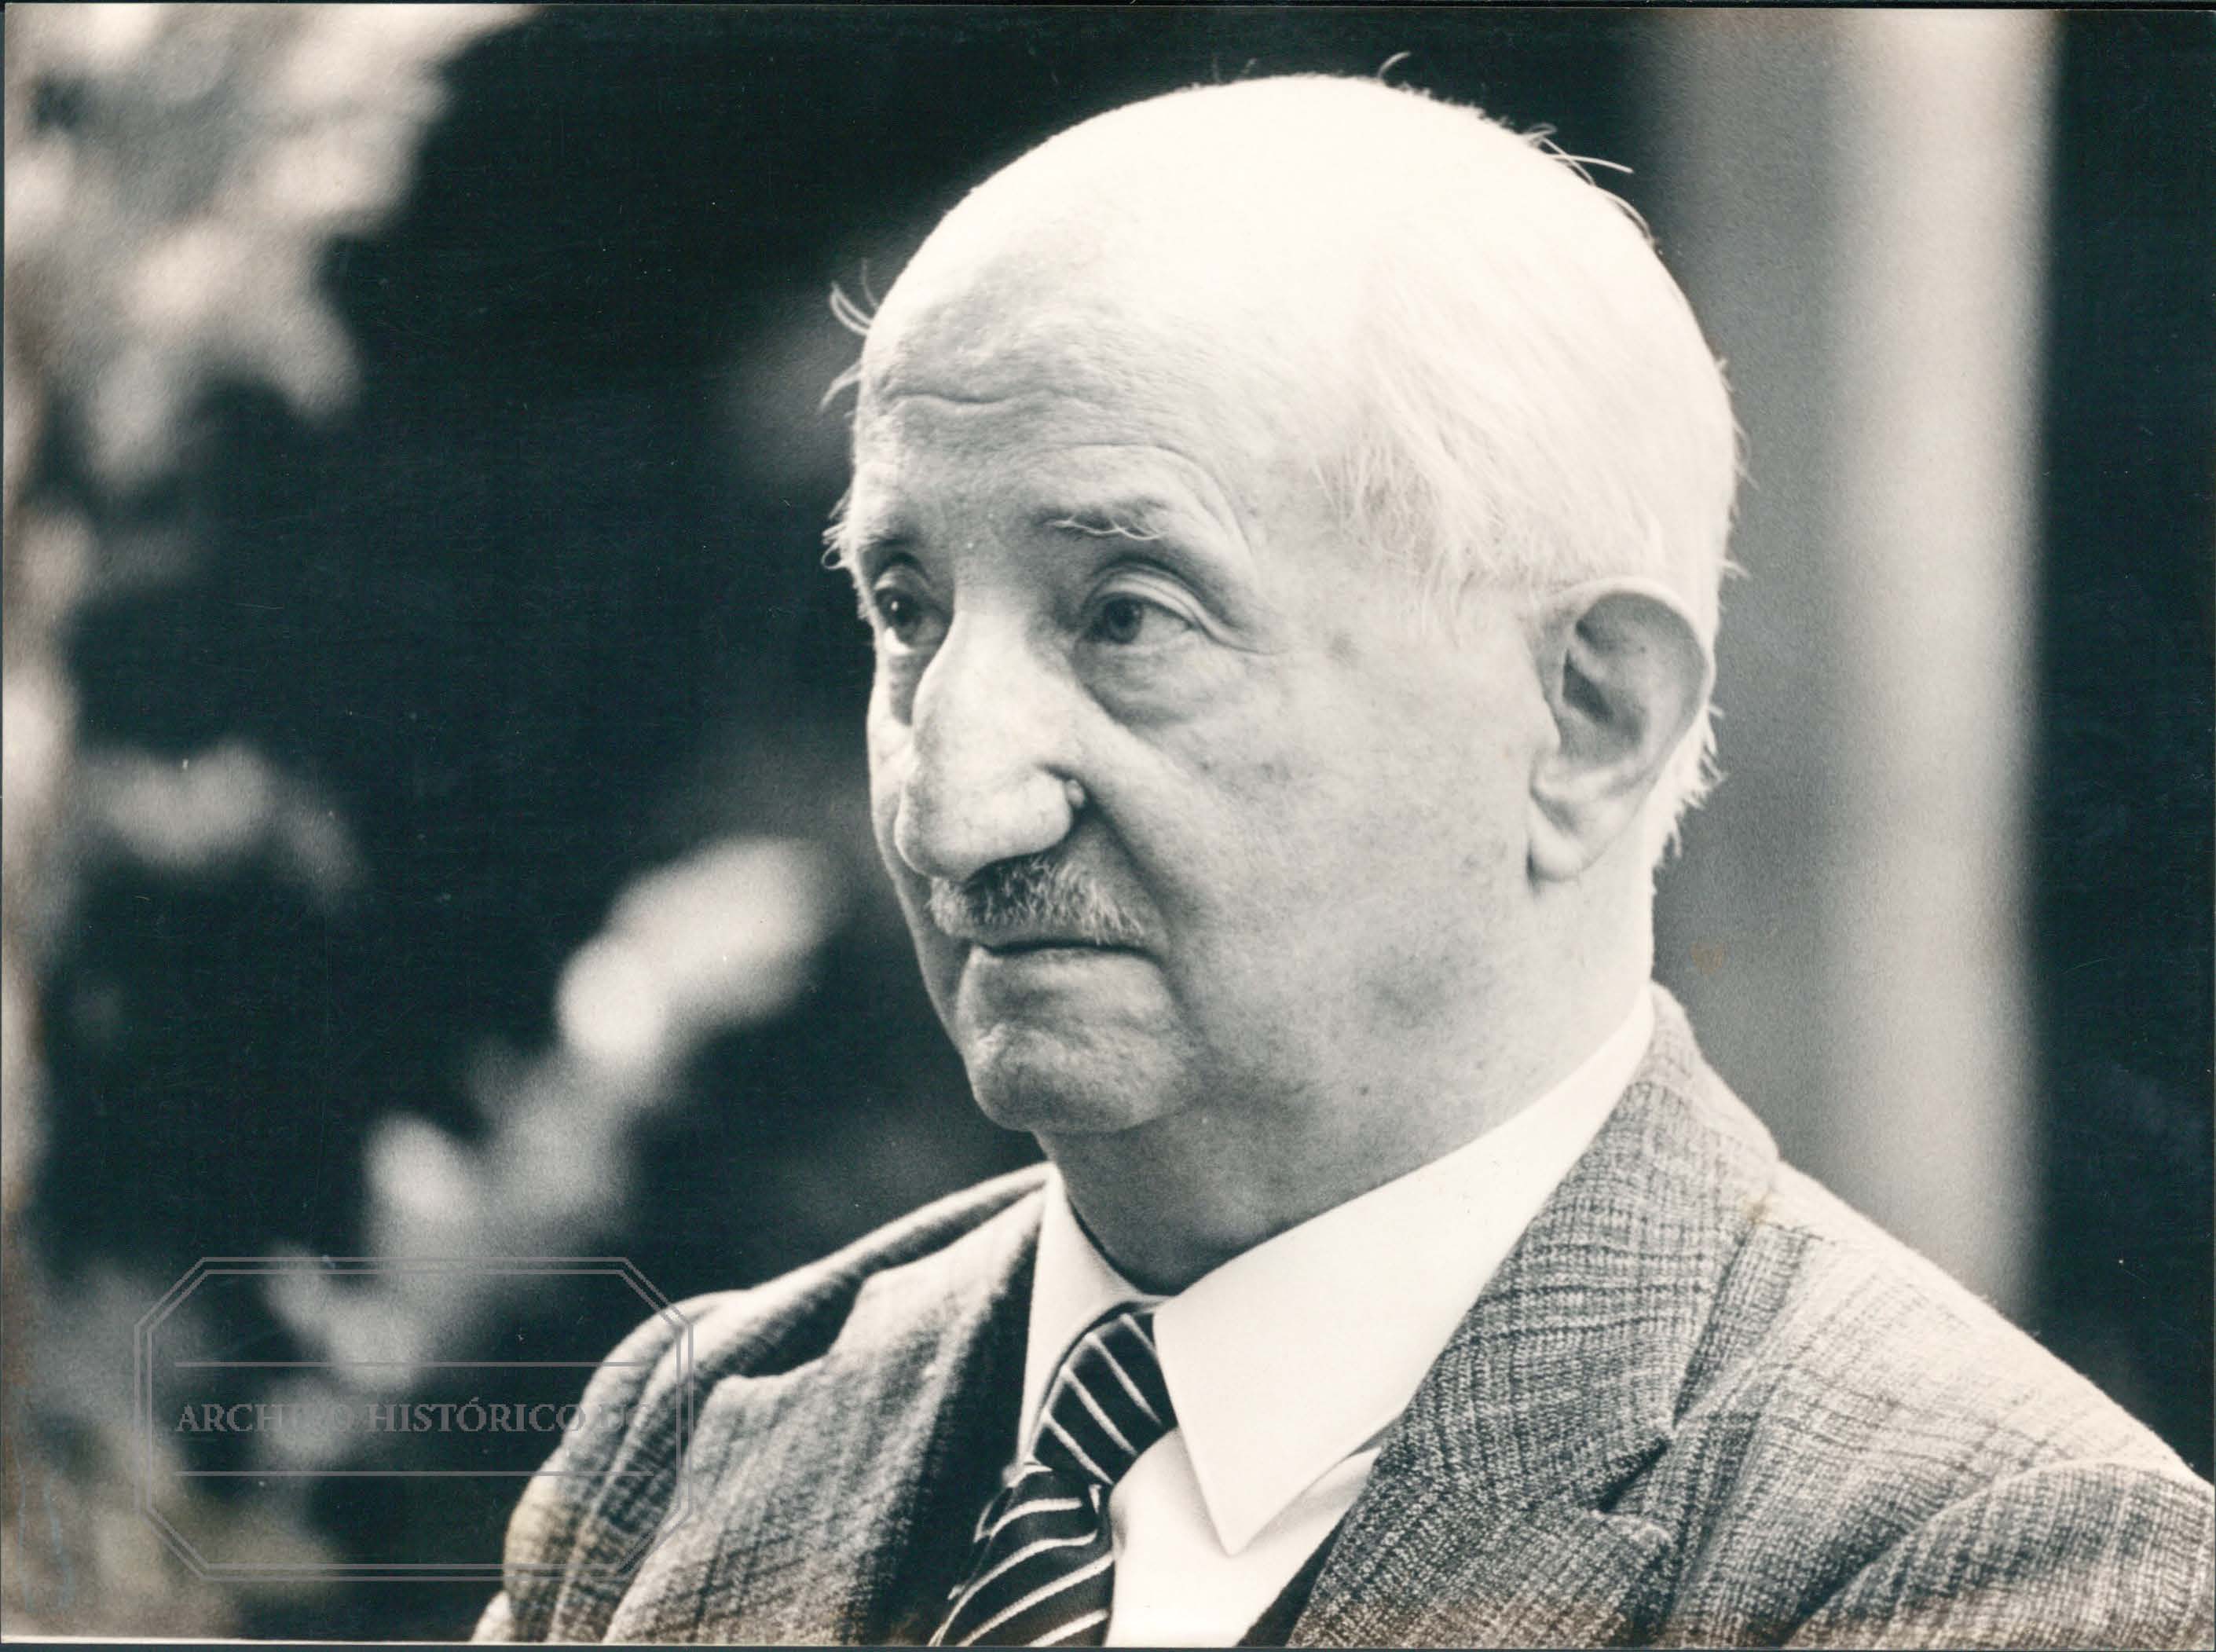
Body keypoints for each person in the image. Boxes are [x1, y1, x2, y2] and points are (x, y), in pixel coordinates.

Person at [476, 75, 2213, 1648]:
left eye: (1128, 615)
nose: (949, 809)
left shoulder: (1993, 1563)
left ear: (1587, 719)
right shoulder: (699, 1438)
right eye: (906, 611)